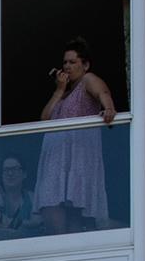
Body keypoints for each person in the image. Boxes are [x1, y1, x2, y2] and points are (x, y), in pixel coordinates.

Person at [33, 34, 118, 235]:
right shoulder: (63, 95)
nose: (68, 67)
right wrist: (59, 90)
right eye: (65, 63)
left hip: (77, 158)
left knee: (74, 222)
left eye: (73, 62)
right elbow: (44, 120)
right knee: (52, 211)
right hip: (55, 161)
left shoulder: (87, 80)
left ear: (85, 65)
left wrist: (109, 108)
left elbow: (103, 93)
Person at [0, 153, 39, 240]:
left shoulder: (31, 197)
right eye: (6, 170)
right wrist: (27, 224)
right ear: (1, 175)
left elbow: (37, 224)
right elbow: (2, 223)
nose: (10, 173)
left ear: (24, 174)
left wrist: (16, 224)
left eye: (15, 169)